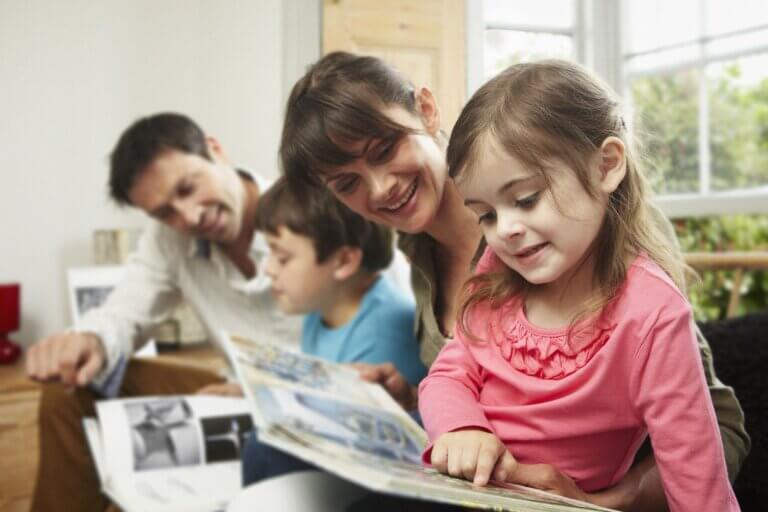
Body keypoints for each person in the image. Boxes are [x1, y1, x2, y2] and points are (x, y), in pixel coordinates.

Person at [279, 51, 749, 510]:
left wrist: (599, 503)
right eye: (347, 184)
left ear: (425, 110)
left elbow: (703, 446)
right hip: (471, 483)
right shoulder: (475, 268)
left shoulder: (629, 280)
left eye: (384, 151)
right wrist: (420, 401)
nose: (380, 189)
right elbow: (458, 376)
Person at [419, 60, 739, 511]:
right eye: (486, 214)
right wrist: (462, 428)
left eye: (526, 199)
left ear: (606, 166)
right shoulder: (496, 275)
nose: (504, 229)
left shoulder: (652, 313)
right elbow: (449, 374)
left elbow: (698, 480)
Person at [25, 112, 302, 511]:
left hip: (301, 401)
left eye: (188, 187)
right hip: (228, 393)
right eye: (164, 212)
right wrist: (90, 340)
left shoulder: (312, 210)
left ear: (216, 151)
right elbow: (125, 312)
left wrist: (267, 392)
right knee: (69, 389)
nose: (187, 217)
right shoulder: (169, 239)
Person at [241, 177, 426, 484]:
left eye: (282, 257)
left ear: (343, 261)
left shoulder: (385, 331)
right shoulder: (319, 312)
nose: (268, 269)